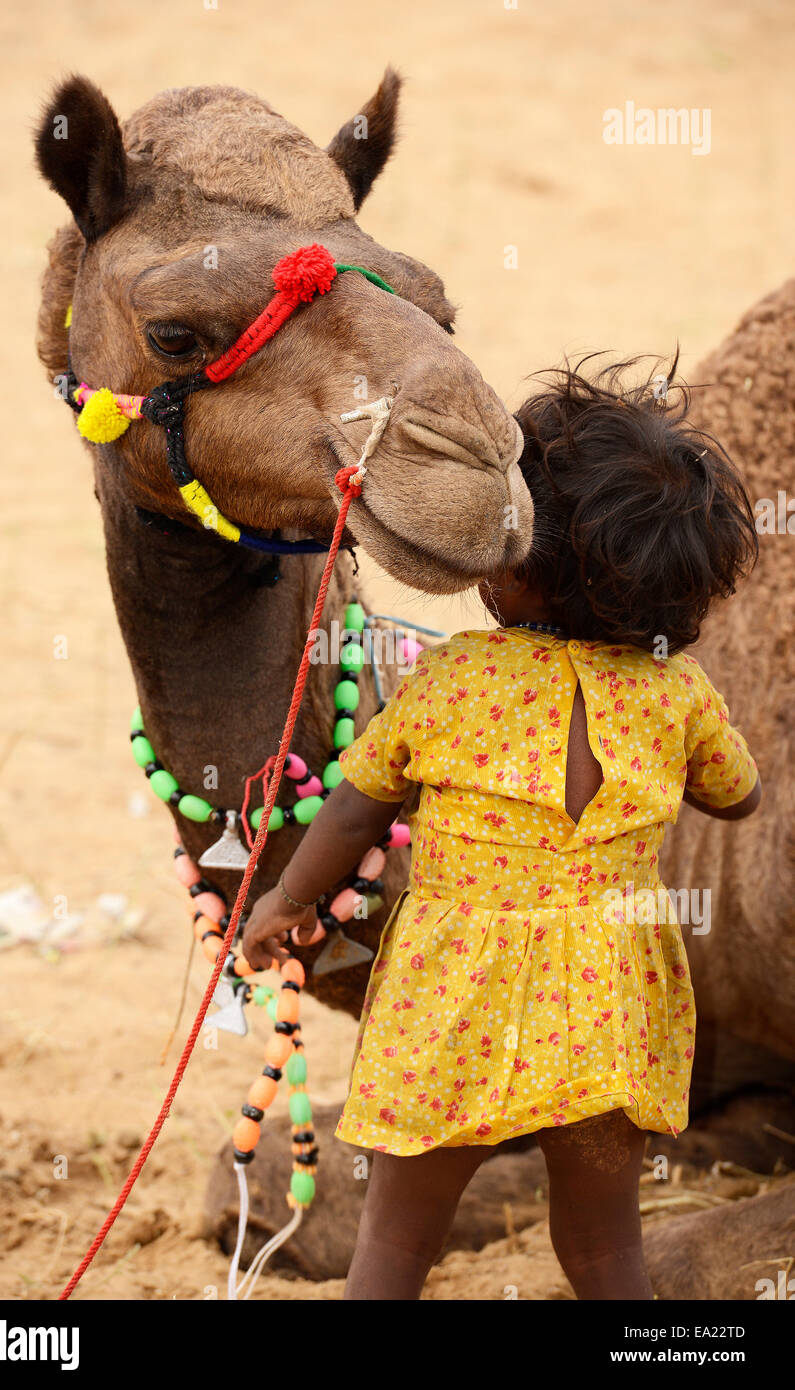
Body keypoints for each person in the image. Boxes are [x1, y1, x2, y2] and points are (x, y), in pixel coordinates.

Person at [242, 357, 761, 1301]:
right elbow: (737, 799)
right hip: (608, 1007)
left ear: (517, 574)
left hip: (453, 1005)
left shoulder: (452, 683)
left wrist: (286, 898)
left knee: (396, 1251)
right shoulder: (676, 696)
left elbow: (359, 804)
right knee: (607, 1254)